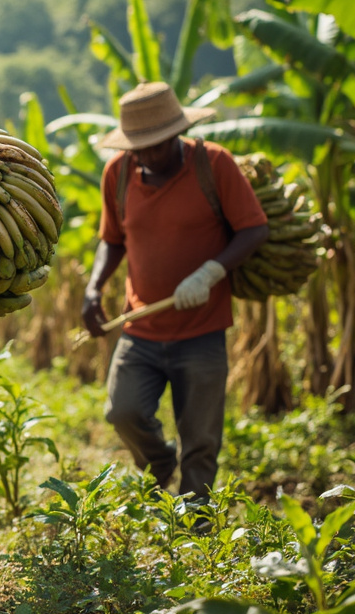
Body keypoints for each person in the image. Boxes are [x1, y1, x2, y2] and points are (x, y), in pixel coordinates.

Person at [83, 82, 268, 500]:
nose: (147, 155)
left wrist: (209, 272)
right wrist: (94, 288)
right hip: (142, 327)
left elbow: (254, 228)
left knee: (201, 439)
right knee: (123, 411)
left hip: (202, 332)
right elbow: (112, 239)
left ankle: (197, 527)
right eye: (138, 147)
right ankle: (159, 461)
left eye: (156, 145)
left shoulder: (213, 165)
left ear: (176, 134)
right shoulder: (118, 173)